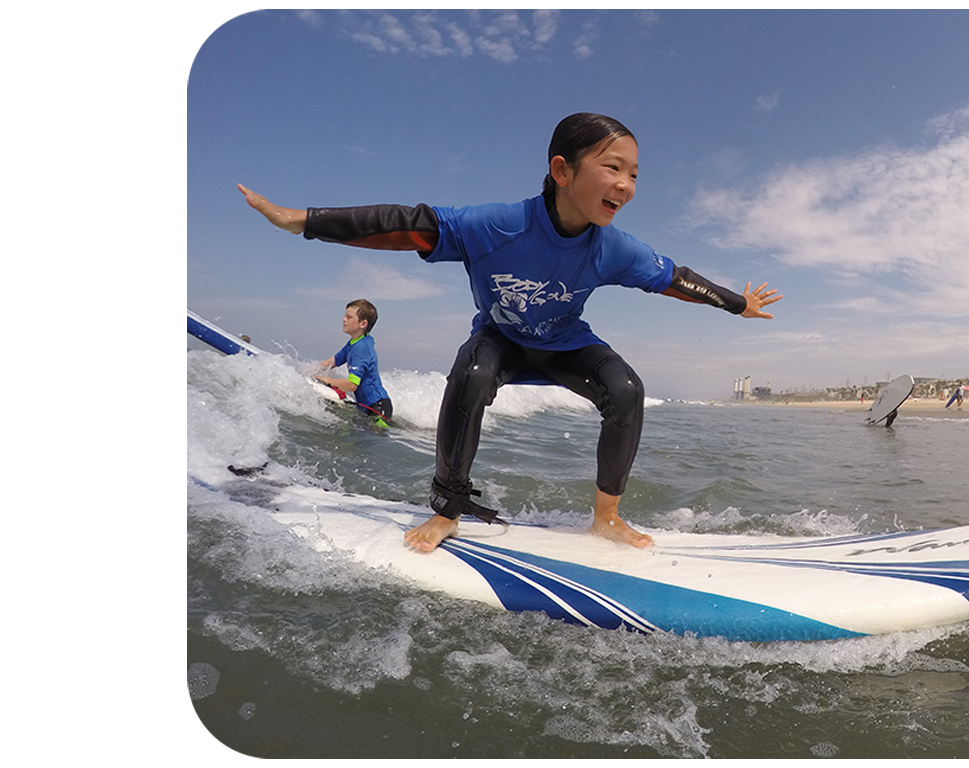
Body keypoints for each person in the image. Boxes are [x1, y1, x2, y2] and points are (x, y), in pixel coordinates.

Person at [238, 113, 782, 552]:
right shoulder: (498, 225)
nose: (627, 185)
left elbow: (674, 278)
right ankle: (447, 509)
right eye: (613, 167)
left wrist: (737, 305)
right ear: (563, 170)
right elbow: (405, 223)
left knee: (626, 390)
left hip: (567, 344)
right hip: (500, 338)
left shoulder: (614, 246)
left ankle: (607, 518)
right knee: (471, 376)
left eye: (635, 174)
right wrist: (301, 221)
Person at [315, 299, 394, 429]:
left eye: (349, 317)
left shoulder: (361, 348)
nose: (344, 319)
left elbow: (352, 385)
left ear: (363, 323)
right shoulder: (353, 343)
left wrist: (326, 379)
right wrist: (311, 371)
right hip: (368, 407)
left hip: (378, 409)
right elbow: (333, 361)